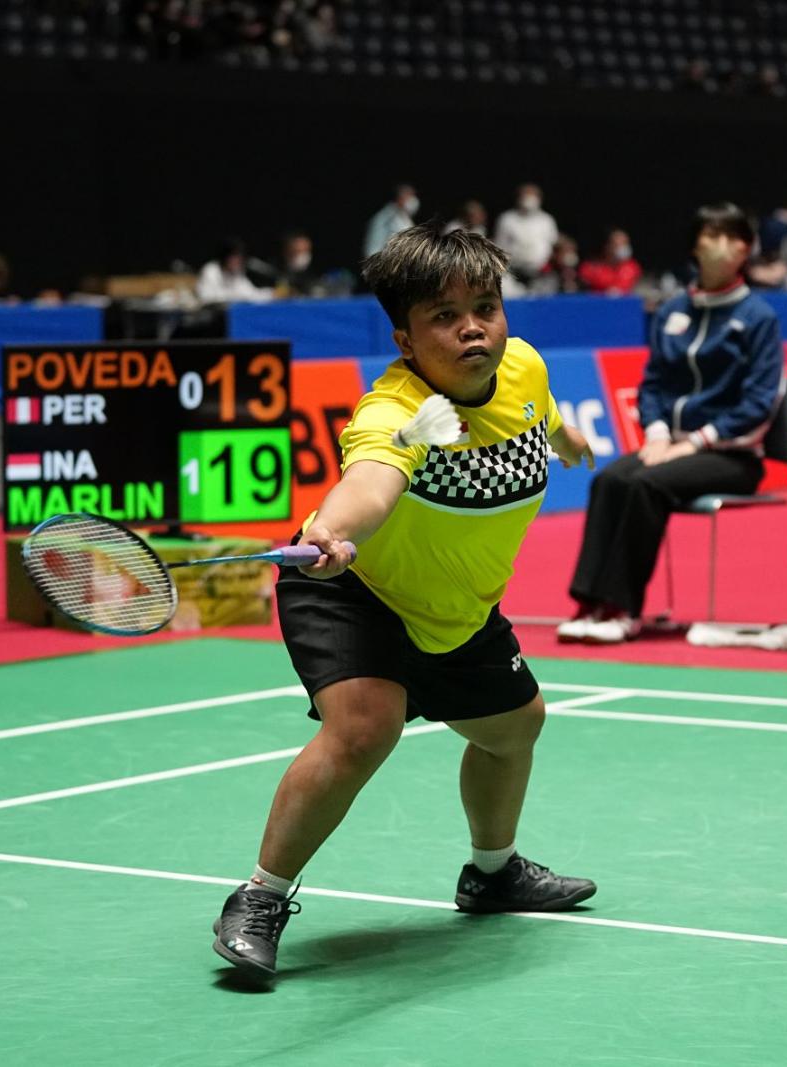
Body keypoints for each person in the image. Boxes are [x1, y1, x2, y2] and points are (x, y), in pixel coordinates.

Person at [212, 223, 597, 982]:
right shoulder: (397, 410)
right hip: (356, 590)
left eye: (484, 307)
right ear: (405, 338)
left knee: (516, 726)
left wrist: (567, 435)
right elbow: (371, 481)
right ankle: (259, 896)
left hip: (454, 606)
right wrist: (334, 530)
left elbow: (534, 410)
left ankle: (492, 874)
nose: (472, 328)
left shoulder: (521, 366)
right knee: (365, 727)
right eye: (444, 317)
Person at [557, 202, 785, 644]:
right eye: (715, 235)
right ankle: (591, 603)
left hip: (732, 455)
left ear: (745, 251)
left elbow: (760, 402)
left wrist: (696, 441)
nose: (728, 245)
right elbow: (653, 384)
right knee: (610, 480)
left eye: (737, 238)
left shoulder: (758, 318)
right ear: (696, 246)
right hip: (669, 447)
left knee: (645, 485)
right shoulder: (672, 312)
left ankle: (623, 609)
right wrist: (659, 433)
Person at [493, 183, 558, 289]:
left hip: (541, 274)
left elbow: (554, 245)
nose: (529, 199)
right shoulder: (506, 219)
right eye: (525, 196)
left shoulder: (547, 220)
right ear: (518, 198)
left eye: (532, 196)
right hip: (513, 274)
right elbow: (499, 246)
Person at [195, 237, 273, 303]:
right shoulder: (210, 271)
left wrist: (271, 293)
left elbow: (251, 294)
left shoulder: (237, 273)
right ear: (224, 256)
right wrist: (236, 297)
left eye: (240, 257)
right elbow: (207, 298)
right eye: (234, 257)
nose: (238, 261)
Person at [578, 228, 643, 296]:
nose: (623, 247)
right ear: (607, 246)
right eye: (617, 244)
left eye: (625, 243)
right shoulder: (590, 268)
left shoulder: (633, 267)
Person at [362, 184, 420, 257]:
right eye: (409, 196)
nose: (413, 200)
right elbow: (374, 244)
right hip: (382, 261)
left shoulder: (403, 216)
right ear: (400, 198)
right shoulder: (387, 216)